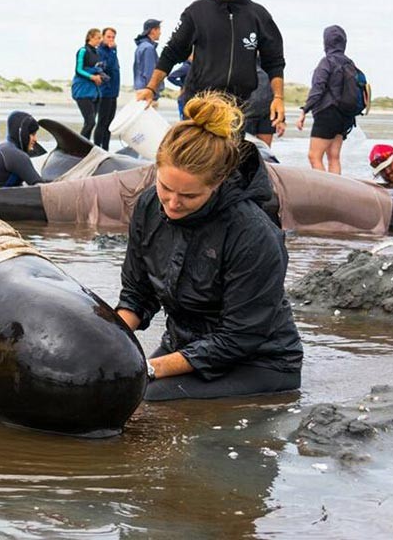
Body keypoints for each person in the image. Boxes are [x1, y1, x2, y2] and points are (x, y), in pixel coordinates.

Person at [116, 92, 303, 401]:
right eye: (165, 188)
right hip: (184, 346)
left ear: (218, 183)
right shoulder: (149, 205)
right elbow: (137, 294)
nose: (173, 204)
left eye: (189, 197)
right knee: (111, 388)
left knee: (143, 399)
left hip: (257, 360)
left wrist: (147, 368)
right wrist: (106, 342)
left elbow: (239, 335)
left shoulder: (252, 234)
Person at [137, 0, 286, 131]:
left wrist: (278, 98)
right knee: (195, 157)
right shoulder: (197, 12)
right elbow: (171, 52)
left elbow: (274, 61)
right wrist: (151, 88)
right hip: (200, 103)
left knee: (229, 158)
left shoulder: (258, 16)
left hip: (235, 107)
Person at [296, 25, 358, 174]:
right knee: (334, 158)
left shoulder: (327, 62)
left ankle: (326, 193)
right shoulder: (350, 63)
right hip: (345, 116)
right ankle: (337, 192)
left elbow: (318, 88)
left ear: (326, 42)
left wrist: (304, 110)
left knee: (314, 156)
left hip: (327, 114)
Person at [0, 111, 46, 189]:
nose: (35, 139)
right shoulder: (17, 155)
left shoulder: (3, 148)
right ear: (23, 133)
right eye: (32, 134)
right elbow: (40, 187)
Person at [71, 28, 105, 141]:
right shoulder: (83, 51)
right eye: (98, 38)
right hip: (82, 91)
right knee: (90, 122)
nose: (100, 40)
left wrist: (100, 76)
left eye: (101, 38)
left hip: (94, 92)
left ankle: (86, 148)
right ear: (90, 37)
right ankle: (79, 148)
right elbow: (78, 70)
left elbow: (97, 69)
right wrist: (92, 77)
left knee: (91, 123)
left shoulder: (97, 52)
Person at [244, 63, 283, 146]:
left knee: (265, 152)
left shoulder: (272, 60)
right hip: (244, 111)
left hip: (267, 112)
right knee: (242, 152)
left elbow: (277, 89)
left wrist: (281, 119)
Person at [96, 27, 120, 150]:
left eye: (113, 37)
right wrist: (113, 51)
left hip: (113, 92)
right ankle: (97, 148)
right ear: (103, 37)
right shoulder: (100, 51)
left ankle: (106, 149)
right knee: (102, 122)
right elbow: (108, 67)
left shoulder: (111, 52)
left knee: (109, 123)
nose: (111, 40)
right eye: (108, 37)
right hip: (104, 92)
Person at [133, 19, 162, 103]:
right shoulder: (149, 48)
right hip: (147, 93)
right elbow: (149, 73)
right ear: (153, 30)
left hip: (141, 90)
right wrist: (151, 92)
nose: (160, 33)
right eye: (159, 29)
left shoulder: (141, 46)